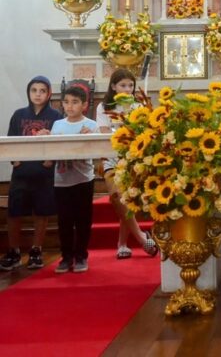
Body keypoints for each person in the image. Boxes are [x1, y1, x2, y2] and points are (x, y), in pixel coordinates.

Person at [1, 76, 62, 271]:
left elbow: (59, 142)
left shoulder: (56, 116)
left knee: (41, 212)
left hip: (44, 172)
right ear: (28, 92)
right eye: (34, 90)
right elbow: (10, 140)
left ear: (49, 93)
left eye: (42, 91)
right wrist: (15, 160)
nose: (38, 94)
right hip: (21, 172)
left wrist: (51, 160)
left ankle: (36, 250)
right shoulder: (19, 114)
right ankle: (14, 251)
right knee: (14, 212)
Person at [95, 69, 158, 259]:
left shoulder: (137, 106)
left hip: (132, 157)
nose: (127, 89)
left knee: (128, 199)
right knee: (116, 196)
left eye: (130, 85)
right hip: (111, 157)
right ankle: (141, 237)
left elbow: (144, 132)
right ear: (113, 86)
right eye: (123, 85)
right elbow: (105, 132)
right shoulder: (103, 106)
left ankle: (122, 244)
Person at [50, 86, 99, 273]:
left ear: (84, 105)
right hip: (61, 180)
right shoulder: (57, 125)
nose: (70, 106)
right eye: (66, 102)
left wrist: (90, 138)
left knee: (83, 220)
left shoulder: (91, 125)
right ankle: (66, 257)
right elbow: (52, 150)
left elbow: (96, 151)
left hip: (83, 179)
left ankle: (81, 256)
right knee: (64, 221)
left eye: (75, 102)